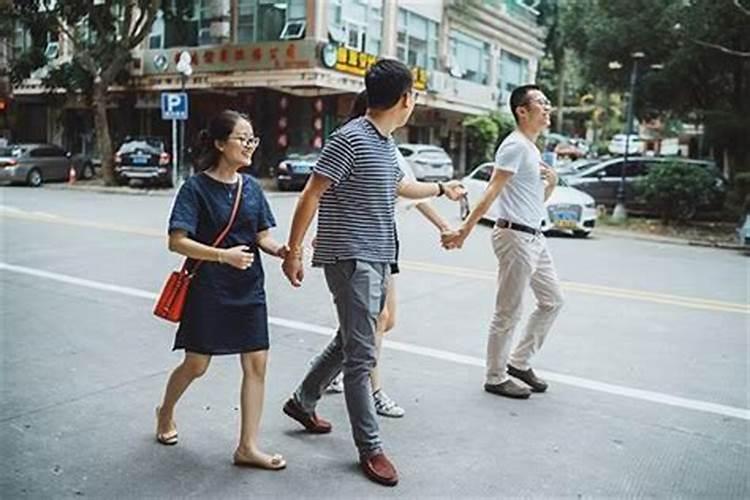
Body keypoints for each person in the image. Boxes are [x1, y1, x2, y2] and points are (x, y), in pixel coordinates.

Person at [279, 59, 464, 487]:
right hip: (351, 257)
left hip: (379, 257)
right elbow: (311, 194)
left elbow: (401, 187)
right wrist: (294, 251)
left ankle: (303, 402)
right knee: (363, 356)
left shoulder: (384, 143)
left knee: (350, 341)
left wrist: (442, 187)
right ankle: (371, 447)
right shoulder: (350, 139)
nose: (414, 101)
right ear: (405, 99)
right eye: (414, 95)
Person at [155, 110, 289, 470]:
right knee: (197, 365)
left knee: (257, 363)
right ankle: (165, 411)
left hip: (249, 288)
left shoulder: (253, 188)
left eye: (252, 139)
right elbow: (177, 242)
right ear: (219, 143)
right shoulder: (195, 188)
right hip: (209, 288)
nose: (249, 145)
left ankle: (248, 446)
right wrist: (221, 256)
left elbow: (261, 235)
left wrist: (280, 250)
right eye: (242, 138)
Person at [324, 90, 454, 420]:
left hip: (383, 239)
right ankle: (372, 390)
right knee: (374, 323)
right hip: (360, 244)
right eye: (408, 99)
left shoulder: (387, 145)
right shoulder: (357, 141)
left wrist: (443, 218)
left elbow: (408, 189)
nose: (410, 106)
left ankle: (323, 381)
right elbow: (319, 192)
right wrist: (301, 246)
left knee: (376, 322)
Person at [442, 84, 564, 399]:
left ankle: (519, 362)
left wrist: (552, 184)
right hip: (514, 236)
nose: (547, 108)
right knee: (508, 310)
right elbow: (491, 192)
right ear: (522, 111)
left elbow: (534, 200)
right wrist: (464, 230)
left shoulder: (532, 149)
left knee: (552, 300)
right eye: (541, 103)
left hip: (534, 235)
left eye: (548, 102)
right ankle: (495, 376)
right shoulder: (514, 146)